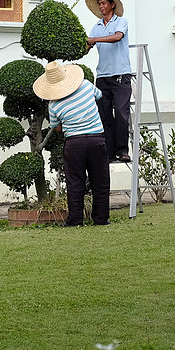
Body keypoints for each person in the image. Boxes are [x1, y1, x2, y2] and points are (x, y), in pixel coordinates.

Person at [33, 61, 110, 226]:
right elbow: (99, 96)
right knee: (100, 181)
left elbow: (58, 127)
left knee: (75, 182)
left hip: (74, 143)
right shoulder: (87, 86)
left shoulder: (53, 105)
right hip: (97, 138)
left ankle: (75, 220)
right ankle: (101, 218)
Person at [85, 0, 132, 163]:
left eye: (104, 3)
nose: (101, 6)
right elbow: (86, 47)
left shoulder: (121, 22)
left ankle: (122, 150)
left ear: (112, 4)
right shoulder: (96, 26)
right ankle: (110, 152)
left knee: (121, 112)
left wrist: (95, 40)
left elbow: (117, 37)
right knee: (104, 114)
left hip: (121, 74)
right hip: (103, 76)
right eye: (99, 4)